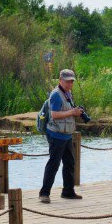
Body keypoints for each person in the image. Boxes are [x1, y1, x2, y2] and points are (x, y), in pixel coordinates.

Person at [38, 69, 84, 204]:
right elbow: (54, 115)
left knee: (70, 163)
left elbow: (65, 111)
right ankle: (44, 193)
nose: (69, 84)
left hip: (66, 134)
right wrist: (72, 112)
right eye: (67, 81)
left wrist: (77, 112)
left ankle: (68, 192)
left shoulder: (67, 93)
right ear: (60, 81)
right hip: (56, 135)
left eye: (71, 81)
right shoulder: (56, 95)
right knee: (54, 164)